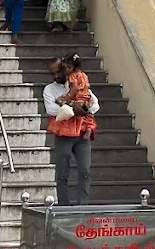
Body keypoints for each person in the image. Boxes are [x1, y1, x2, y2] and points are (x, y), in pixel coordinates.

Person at [44, 54, 99, 205]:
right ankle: (63, 204)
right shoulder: (49, 89)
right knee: (62, 172)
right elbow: (51, 110)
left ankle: (83, 205)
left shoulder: (77, 80)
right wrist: (77, 109)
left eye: (59, 72)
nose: (56, 76)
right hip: (63, 134)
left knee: (85, 170)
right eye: (52, 73)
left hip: (81, 133)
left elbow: (94, 105)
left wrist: (71, 108)